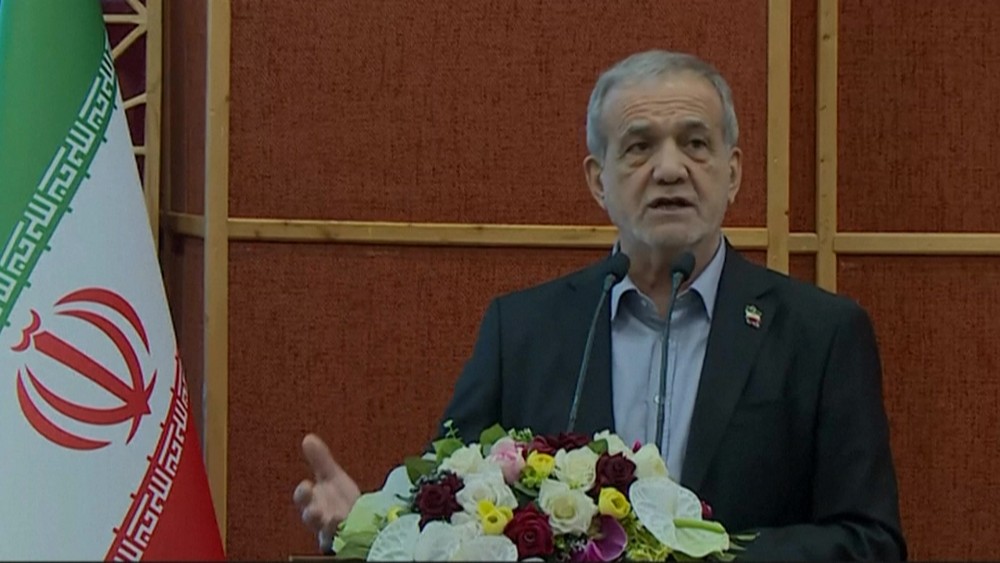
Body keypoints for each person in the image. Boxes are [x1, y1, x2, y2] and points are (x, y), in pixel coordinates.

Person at [293, 50, 907, 560]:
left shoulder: (821, 334)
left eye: (696, 144)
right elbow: (448, 508)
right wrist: (366, 525)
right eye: (640, 147)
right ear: (598, 180)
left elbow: (870, 541)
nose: (671, 169)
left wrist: (701, 556)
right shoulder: (522, 331)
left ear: (733, 173)